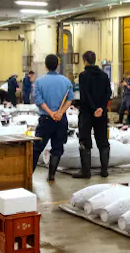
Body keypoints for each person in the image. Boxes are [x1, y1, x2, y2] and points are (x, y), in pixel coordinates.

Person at [31, 54, 74, 182]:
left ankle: (28, 176)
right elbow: (69, 100)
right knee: (57, 148)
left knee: (36, 148)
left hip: (46, 120)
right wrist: (60, 113)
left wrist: (51, 113)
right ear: (58, 65)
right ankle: (51, 176)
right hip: (61, 120)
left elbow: (39, 101)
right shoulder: (66, 81)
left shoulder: (39, 81)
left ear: (45, 66)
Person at [73, 51, 111, 179]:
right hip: (102, 113)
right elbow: (108, 93)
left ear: (85, 61)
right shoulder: (104, 75)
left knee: (85, 140)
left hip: (87, 113)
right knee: (103, 141)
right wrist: (101, 108)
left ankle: (86, 171)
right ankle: (104, 170)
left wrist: (93, 108)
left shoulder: (83, 75)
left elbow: (85, 95)